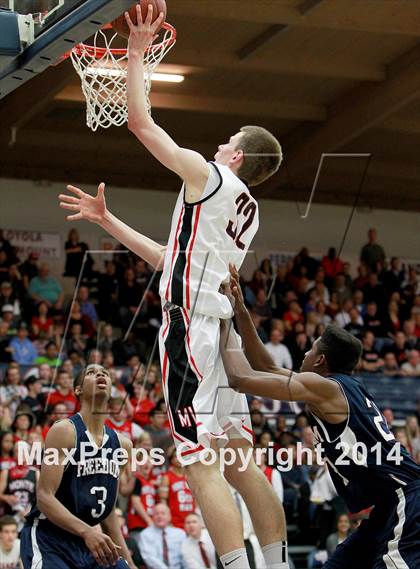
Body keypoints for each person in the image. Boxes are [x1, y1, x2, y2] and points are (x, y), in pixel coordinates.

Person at [58, 7, 288, 569]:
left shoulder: (211, 178)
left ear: (236, 156)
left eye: (226, 140)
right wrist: (108, 222)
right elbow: (171, 257)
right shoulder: (248, 210)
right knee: (239, 457)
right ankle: (277, 563)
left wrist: (136, 50)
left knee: (199, 462)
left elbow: (142, 125)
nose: (217, 144)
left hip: (192, 330)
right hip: (221, 332)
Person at [220, 266, 420, 568]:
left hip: (408, 499)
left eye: (310, 350)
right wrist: (239, 309)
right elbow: (266, 367)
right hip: (388, 505)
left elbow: (239, 377)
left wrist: (220, 319)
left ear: (322, 359)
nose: (304, 355)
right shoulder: (333, 388)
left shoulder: (327, 389)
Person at [20, 364, 135, 569]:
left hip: (88, 541)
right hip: (50, 538)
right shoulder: (65, 431)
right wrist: (87, 531)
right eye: (91, 372)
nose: (100, 374)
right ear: (78, 390)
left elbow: (108, 513)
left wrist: (130, 562)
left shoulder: (123, 445)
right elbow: (45, 497)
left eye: (105, 373)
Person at [138, 503, 185, 569]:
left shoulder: (180, 534)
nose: (159, 516)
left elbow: (185, 557)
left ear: (169, 516)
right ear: (152, 516)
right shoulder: (145, 535)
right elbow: (149, 558)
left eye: (163, 513)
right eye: (157, 513)